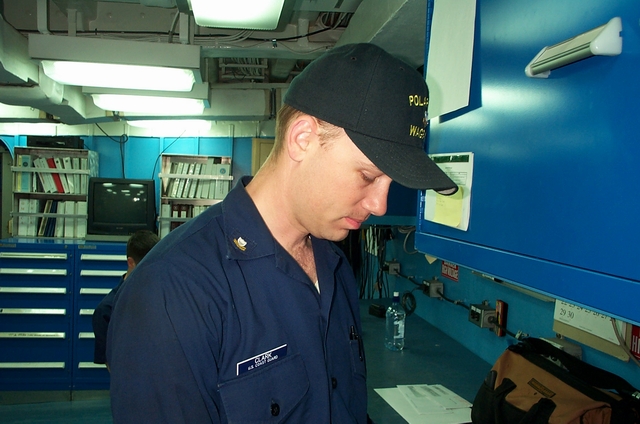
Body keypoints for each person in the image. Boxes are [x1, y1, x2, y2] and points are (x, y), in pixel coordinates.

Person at [107, 43, 458, 423]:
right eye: (368, 176)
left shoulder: (334, 265)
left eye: (391, 183)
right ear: (302, 139)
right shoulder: (171, 292)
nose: (380, 205)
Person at [92, 229, 159, 369]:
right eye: (148, 267)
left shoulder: (164, 300)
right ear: (131, 263)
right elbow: (113, 367)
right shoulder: (106, 311)